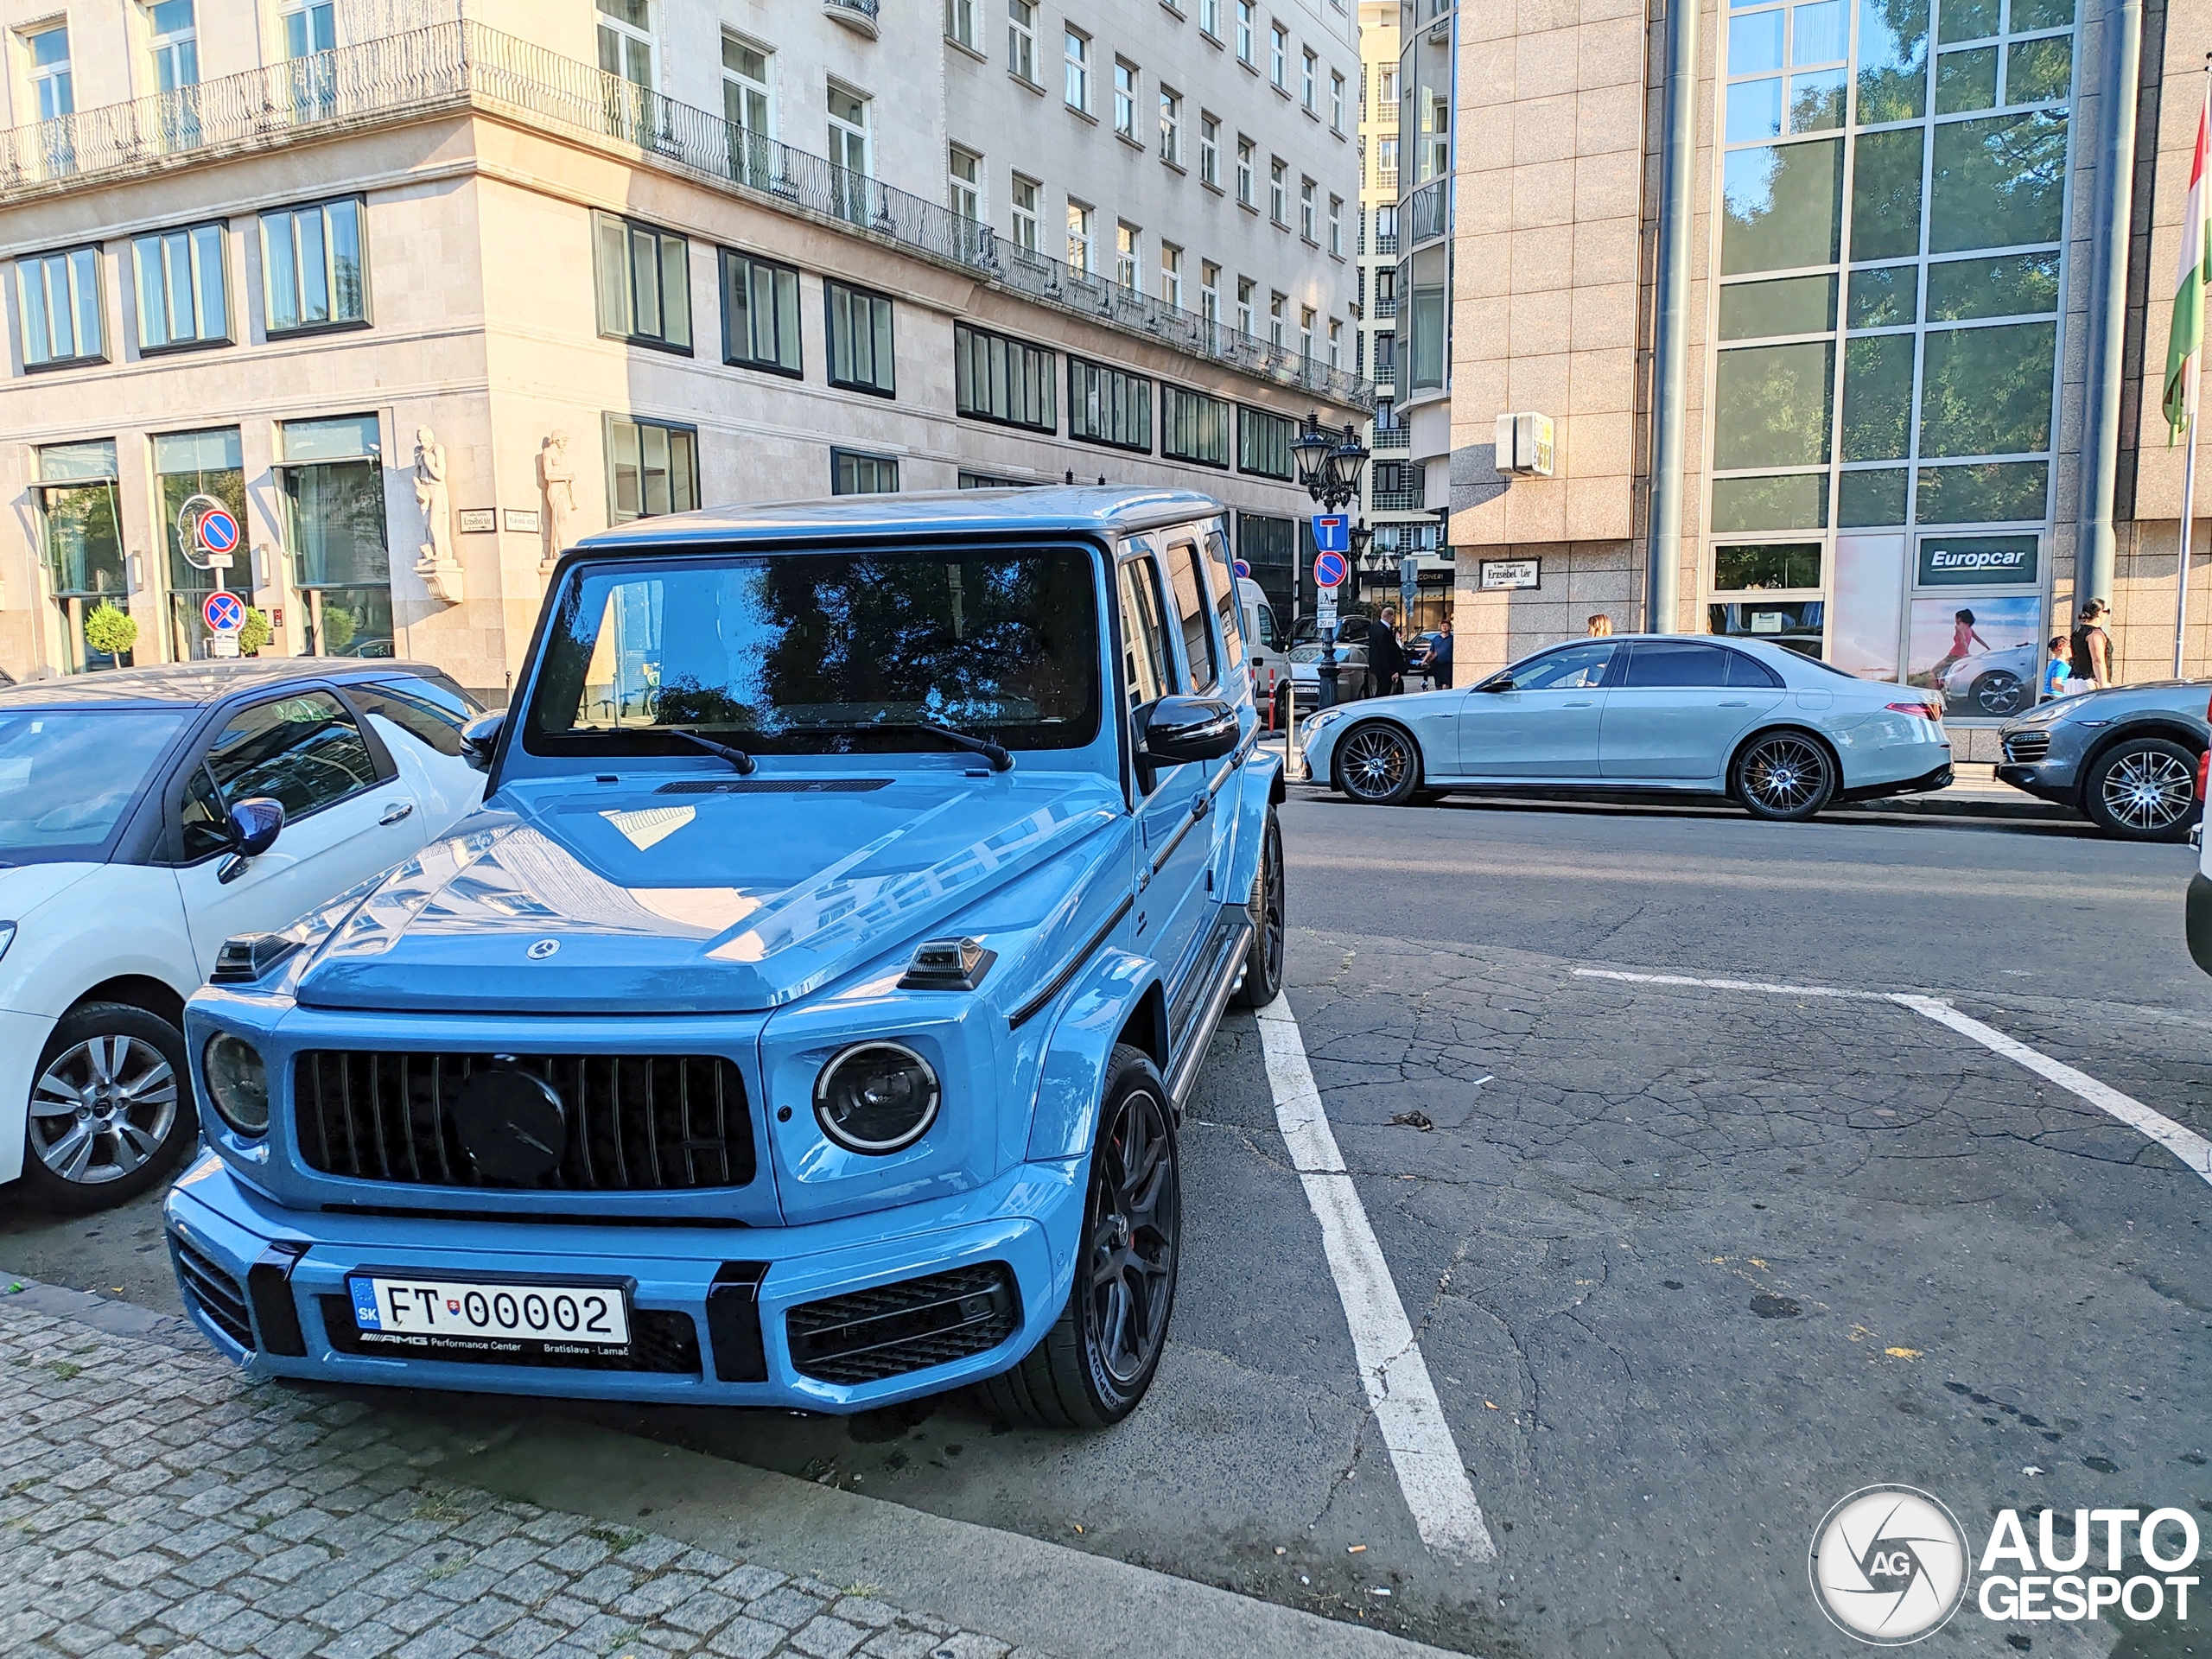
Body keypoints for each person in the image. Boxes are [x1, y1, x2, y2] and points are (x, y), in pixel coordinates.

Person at [1929, 607, 1991, 686]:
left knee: (1933, 671)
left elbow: (1963, 641)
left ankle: (1935, 692)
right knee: (1946, 675)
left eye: (1956, 618)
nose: (1955, 620)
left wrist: (1967, 653)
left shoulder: (1958, 627)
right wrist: (1988, 649)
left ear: (1960, 618)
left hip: (1952, 656)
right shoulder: (1969, 629)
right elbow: (1979, 640)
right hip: (1961, 657)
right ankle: (1942, 687)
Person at [2071, 599, 2114, 690]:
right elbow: (2097, 660)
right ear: (2099, 613)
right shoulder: (2095, 634)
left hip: (2073, 680)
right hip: (2089, 682)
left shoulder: (2078, 631)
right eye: (2107, 611)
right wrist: (2104, 685)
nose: (2107, 615)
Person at [1370, 607, 1407, 696]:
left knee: (1382, 689)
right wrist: (1392, 671)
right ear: (1389, 616)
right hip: (1384, 670)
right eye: (1393, 616)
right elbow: (1385, 653)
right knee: (1384, 691)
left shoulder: (1375, 628)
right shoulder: (1383, 632)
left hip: (1377, 667)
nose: (1394, 618)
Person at [2042, 634, 2073, 701]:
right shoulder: (2062, 666)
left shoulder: (2054, 664)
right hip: (2055, 698)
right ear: (2063, 649)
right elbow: (2055, 684)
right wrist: (2070, 692)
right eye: (2070, 646)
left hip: (2048, 697)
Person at [1430, 617, 1453, 690]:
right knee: (1438, 685)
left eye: (1446, 626)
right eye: (1443, 626)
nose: (1445, 627)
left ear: (1450, 627)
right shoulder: (1436, 638)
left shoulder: (1452, 639)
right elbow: (1431, 650)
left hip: (1447, 665)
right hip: (1437, 665)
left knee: (1446, 685)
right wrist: (1424, 660)